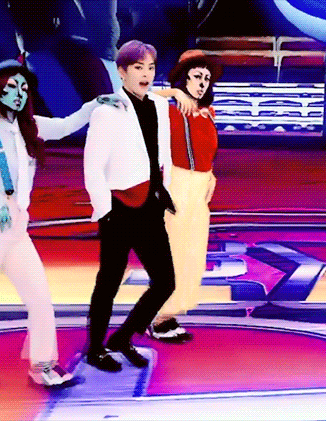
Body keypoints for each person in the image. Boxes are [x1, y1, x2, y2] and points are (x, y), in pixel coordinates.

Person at [0, 59, 121, 387]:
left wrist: (94, 105)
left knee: (40, 296)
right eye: (12, 87)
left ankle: (42, 364)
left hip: (17, 227)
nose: (19, 93)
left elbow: (67, 125)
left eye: (24, 88)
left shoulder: (30, 128)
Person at [83, 40, 176, 372]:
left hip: (151, 205)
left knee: (165, 282)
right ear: (121, 72)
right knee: (108, 282)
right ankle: (95, 349)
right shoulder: (106, 111)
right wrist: (104, 211)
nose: (146, 74)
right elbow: (92, 166)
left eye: (150, 67)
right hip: (119, 207)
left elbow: (162, 154)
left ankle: (122, 337)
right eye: (138, 68)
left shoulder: (159, 106)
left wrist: (163, 191)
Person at [147, 50, 222, 343]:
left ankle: (170, 314)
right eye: (197, 76)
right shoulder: (168, 109)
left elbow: (206, 149)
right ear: (183, 78)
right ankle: (157, 317)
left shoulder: (208, 113)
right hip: (176, 184)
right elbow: (133, 96)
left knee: (193, 254)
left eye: (207, 78)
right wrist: (174, 92)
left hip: (200, 189)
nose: (202, 83)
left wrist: (211, 173)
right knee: (173, 253)